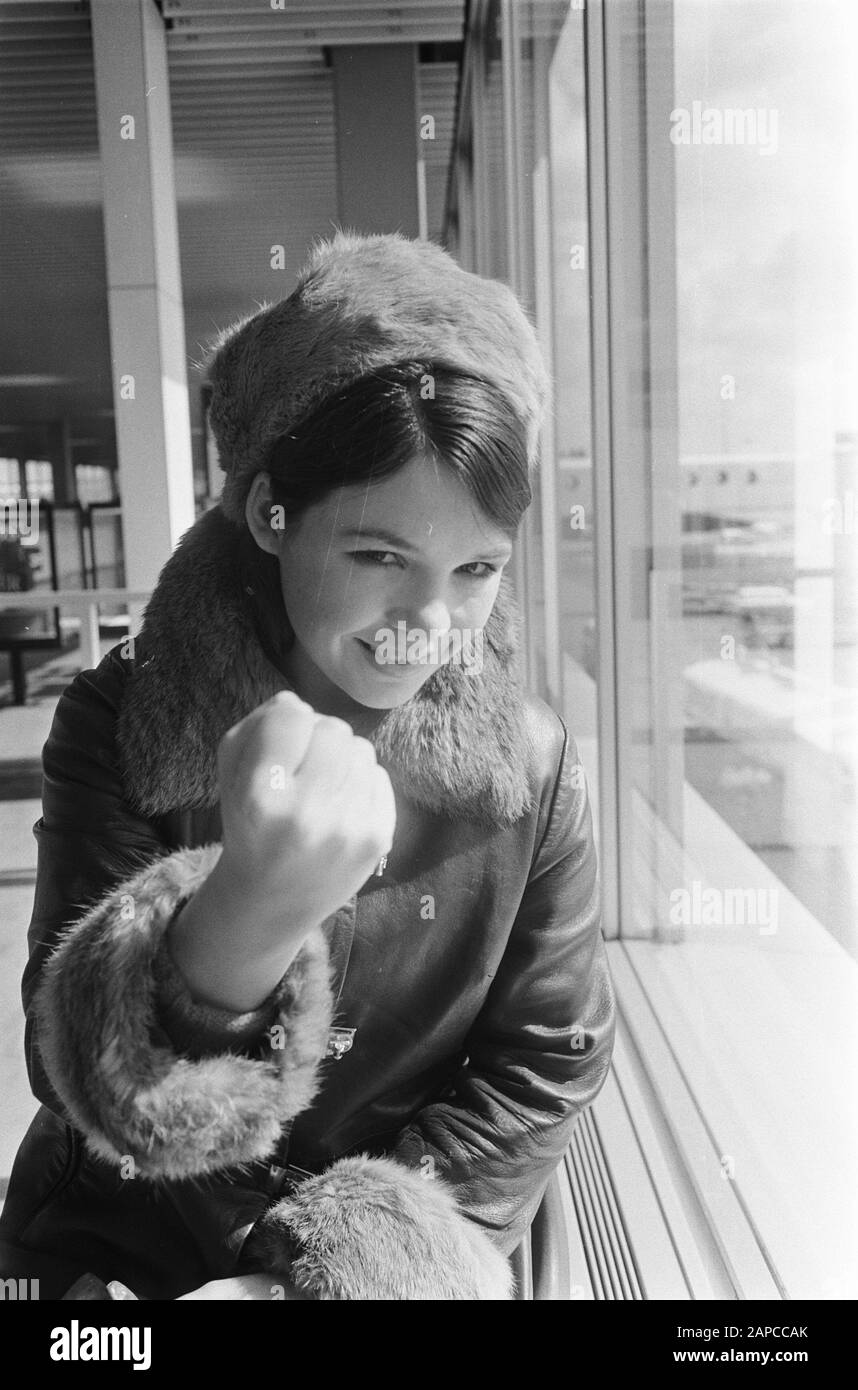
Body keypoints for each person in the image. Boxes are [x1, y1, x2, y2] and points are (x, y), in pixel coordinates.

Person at [0, 230, 615, 1301]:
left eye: (476, 569)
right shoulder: (121, 716)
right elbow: (69, 1071)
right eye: (379, 555)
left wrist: (333, 1269)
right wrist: (245, 911)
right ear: (268, 514)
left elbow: (548, 1056)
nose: (430, 622)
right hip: (124, 1250)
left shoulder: (536, 764)